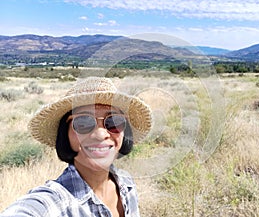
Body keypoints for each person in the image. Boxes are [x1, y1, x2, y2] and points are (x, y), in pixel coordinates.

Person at [0, 77, 152, 217]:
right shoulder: (55, 202)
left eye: (113, 121)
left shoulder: (126, 185)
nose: (100, 134)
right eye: (83, 122)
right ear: (65, 133)